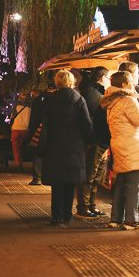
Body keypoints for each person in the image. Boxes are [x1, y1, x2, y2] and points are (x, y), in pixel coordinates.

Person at [102, 70, 139, 230]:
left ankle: (116, 218)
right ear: (125, 84)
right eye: (132, 80)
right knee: (135, 185)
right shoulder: (127, 100)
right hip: (133, 146)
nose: (135, 82)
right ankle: (131, 220)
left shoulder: (112, 102)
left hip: (119, 144)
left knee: (121, 183)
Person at [40, 69, 93, 226]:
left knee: (57, 183)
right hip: (74, 147)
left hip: (54, 145)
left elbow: (43, 121)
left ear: (57, 82)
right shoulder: (78, 99)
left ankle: (57, 215)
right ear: (72, 82)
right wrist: (88, 140)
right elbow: (86, 124)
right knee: (70, 181)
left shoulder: (50, 99)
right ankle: (67, 214)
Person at [75, 66, 110, 218]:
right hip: (96, 139)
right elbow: (93, 118)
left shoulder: (94, 91)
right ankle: (84, 206)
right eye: (108, 77)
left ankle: (91, 205)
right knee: (91, 174)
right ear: (102, 78)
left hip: (99, 139)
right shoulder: (93, 94)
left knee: (96, 176)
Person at [9, 91, 33, 172]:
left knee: (16, 148)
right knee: (24, 147)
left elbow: (12, 116)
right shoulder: (30, 108)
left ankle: (18, 164)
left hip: (16, 129)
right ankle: (24, 162)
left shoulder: (16, 106)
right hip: (26, 130)